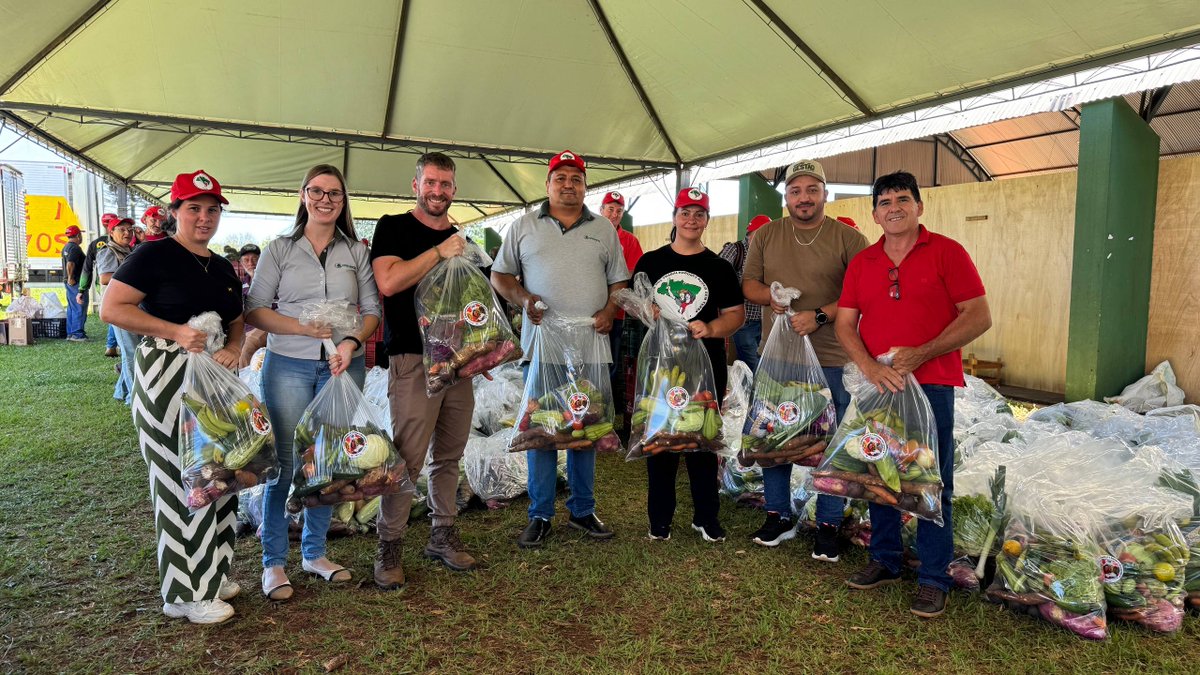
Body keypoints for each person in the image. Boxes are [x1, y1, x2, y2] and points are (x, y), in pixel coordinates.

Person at [836, 170, 991, 618]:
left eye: (902, 199)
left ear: (919, 206)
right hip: (877, 386)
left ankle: (932, 577)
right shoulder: (863, 263)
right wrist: (868, 368)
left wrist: (920, 354)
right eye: (884, 202)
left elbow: (978, 316)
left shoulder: (947, 252)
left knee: (928, 479)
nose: (894, 208)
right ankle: (884, 560)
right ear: (875, 214)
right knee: (877, 473)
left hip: (932, 384)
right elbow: (846, 323)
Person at [100, 169, 245, 624]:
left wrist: (236, 347)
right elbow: (111, 307)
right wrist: (175, 332)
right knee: (177, 476)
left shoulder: (221, 265)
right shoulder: (152, 255)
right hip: (165, 373)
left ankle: (212, 570)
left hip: (212, 378)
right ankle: (184, 592)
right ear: (174, 212)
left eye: (212, 209)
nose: (204, 218)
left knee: (219, 469)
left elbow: (236, 320)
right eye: (194, 209)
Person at [246, 164, 381, 601]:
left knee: (328, 461)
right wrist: (300, 328)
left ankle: (315, 553)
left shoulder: (355, 250)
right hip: (288, 363)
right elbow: (255, 310)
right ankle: (274, 561)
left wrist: (353, 342)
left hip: (342, 364)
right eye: (317, 191)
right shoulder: (280, 249)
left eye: (335, 194)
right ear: (303, 195)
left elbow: (372, 309)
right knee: (285, 462)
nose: (326, 200)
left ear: (344, 201)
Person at [491, 150, 630, 548]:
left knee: (584, 428)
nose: (569, 185)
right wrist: (523, 298)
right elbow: (500, 275)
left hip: (589, 346)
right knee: (542, 430)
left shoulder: (603, 229)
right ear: (548, 184)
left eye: (576, 178)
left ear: (586, 185)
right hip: (544, 348)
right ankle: (540, 514)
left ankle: (583, 511)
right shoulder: (524, 226)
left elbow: (619, 282)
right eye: (561, 178)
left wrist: (608, 310)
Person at [742, 159, 869, 560]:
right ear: (787, 196)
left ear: (825, 194)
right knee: (773, 435)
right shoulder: (766, 234)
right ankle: (778, 514)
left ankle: (828, 523)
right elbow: (749, 285)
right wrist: (771, 297)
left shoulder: (849, 239)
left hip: (832, 356)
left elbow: (860, 294)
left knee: (830, 443)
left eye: (812, 190)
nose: (804, 198)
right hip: (777, 355)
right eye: (796, 191)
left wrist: (818, 316)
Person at [369, 152, 480, 590]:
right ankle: (389, 545)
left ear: (454, 189)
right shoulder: (392, 226)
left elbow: (472, 303)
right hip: (413, 359)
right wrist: (439, 251)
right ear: (415, 184)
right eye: (430, 182)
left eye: (446, 184)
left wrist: (479, 352)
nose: (438, 191)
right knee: (408, 457)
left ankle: (442, 534)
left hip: (457, 360)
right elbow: (389, 283)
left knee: (449, 455)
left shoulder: (460, 237)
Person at [635, 188, 744, 543]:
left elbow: (736, 316)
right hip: (661, 365)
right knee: (662, 439)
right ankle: (659, 519)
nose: (691, 220)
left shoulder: (719, 267)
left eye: (699, 214)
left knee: (703, 439)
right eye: (685, 212)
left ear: (707, 220)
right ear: (674, 217)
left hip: (706, 365)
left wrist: (711, 328)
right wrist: (645, 310)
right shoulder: (651, 262)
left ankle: (706, 517)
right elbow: (633, 305)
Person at [598, 191, 644, 379]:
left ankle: (607, 403)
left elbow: (634, 272)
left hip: (615, 312)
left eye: (619, 211)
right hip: (587, 307)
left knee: (611, 359)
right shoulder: (589, 235)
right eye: (610, 209)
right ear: (601, 210)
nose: (614, 214)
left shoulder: (630, 240)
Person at [718, 214, 770, 370]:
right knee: (753, 365)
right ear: (750, 234)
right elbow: (719, 274)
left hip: (764, 321)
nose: (764, 238)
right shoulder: (736, 250)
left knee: (761, 362)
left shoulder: (769, 254)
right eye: (761, 234)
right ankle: (755, 393)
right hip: (743, 320)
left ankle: (749, 392)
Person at [95, 216, 139, 404]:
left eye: (130, 229)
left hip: (132, 307)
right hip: (119, 308)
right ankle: (132, 397)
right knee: (130, 352)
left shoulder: (131, 251)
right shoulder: (108, 251)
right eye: (121, 229)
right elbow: (105, 278)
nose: (127, 233)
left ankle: (121, 392)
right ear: (111, 233)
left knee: (133, 351)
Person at [78, 213, 118, 356]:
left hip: (102, 286)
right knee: (117, 313)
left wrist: (82, 289)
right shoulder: (120, 242)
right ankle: (111, 344)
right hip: (114, 282)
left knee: (116, 313)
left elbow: (87, 268)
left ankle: (111, 345)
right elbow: (87, 267)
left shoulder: (95, 243)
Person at [238, 243, 267, 368]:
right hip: (246, 328)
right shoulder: (241, 284)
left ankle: (243, 384)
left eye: (255, 259)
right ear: (241, 262)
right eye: (246, 260)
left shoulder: (272, 280)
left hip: (268, 325)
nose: (251, 263)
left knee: (246, 348)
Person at [61, 225, 87, 342]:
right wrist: (71, 277)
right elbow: (70, 263)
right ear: (78, 236)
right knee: (79, 306)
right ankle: (77, 334)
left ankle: (71, 333)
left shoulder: (66, 247)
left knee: (72, 307)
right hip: (75, 282)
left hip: (69, 282)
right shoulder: (75, 248)